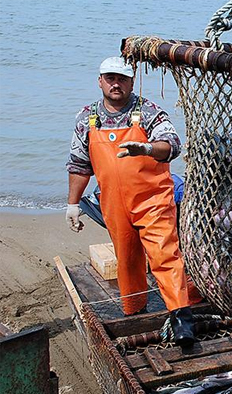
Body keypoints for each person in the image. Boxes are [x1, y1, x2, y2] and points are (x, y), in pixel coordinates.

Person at [66, 57, 200, 346]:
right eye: (110, 78)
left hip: (153, 198)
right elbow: (79, 164)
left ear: (132, 82)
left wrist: (148, 148)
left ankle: (181, 318)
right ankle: (135, 309)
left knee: (165, 255)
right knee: (126, 260)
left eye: (122, 79)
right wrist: (73, 204)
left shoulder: (149, 112)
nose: (116, 83)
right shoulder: (87, 118)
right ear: (100, 80)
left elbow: (172, 144)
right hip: (114, 203)